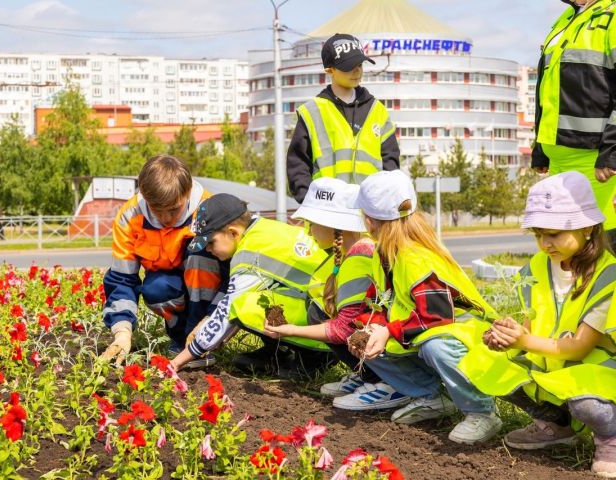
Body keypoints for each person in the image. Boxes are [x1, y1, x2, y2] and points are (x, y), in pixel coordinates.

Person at [461, 172, 616, 478]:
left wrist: (523, 342)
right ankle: (556, 425)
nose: (545, 243)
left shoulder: (607, 273)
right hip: (553, 365)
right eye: (538, 234)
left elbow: (581, 345)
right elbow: (531, 325)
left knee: (586, 403)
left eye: (555, 233)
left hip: (596, 370)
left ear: (587, 227)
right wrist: (509, 335)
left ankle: (610, 436)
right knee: (488, 363)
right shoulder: (535, 267)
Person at [350, 170, 502, 444]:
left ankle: (481, 411)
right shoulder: (384, 253)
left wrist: (388, 331)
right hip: (425, 333)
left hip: (466, 338)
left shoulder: (416, 258)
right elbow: (377, 302)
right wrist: (370, 327)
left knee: (435, 347)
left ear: (370, 221)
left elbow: (437, 316)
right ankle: (431, 397)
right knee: (367, 341)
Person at [263, 177, 408, 411]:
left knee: (321, 314)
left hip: (394, 344)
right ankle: (368, 375)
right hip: (393, 339)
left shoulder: (358, 257)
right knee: (319, 310)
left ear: (334, 226)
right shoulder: (358, 249)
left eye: (312, 223)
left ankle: (386, 383)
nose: (308, 231)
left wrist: (289, 331)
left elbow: (343, 329)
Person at [170, 193, 334, 376]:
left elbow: (226, 312)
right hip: (327, 307)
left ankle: (314, 358)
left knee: (245, 306)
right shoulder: (264, 228)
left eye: (210, 242)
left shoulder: (248, 256)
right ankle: (281, 353)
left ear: (233, 232)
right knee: (259, 298)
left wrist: (178, 361)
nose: (207, 250)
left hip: (326, 321)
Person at [99, 155, 227, 366]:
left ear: (187, 193)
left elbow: (231, 275)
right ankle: (180, 338)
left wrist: (213, 320)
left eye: (174, 210)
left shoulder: (209, 208)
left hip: (206, 292)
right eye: (157, 210)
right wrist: (122, 332)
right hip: (170, 286)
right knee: (156, 288)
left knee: (200, 258)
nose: (166, 219)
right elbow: (122, 279)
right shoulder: (130, 215)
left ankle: (202, 338)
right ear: (144, 196)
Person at [532, 0, 616, 248]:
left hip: (595, 161)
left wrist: (612, 150)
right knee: (564, 245)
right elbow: (547, 88)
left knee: (601, 243)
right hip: (558, 158)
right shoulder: (567, 18)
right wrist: (540, 146)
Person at [287, 33, 401, 203]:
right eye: (349, 66)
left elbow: (390, 165)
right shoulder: (312, 112)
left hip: (370, 215)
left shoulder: (378, 111)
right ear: (330, 70)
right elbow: (298, 165)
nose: (357, 70)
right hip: (326, 213)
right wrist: (309, 202)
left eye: (360, 64)